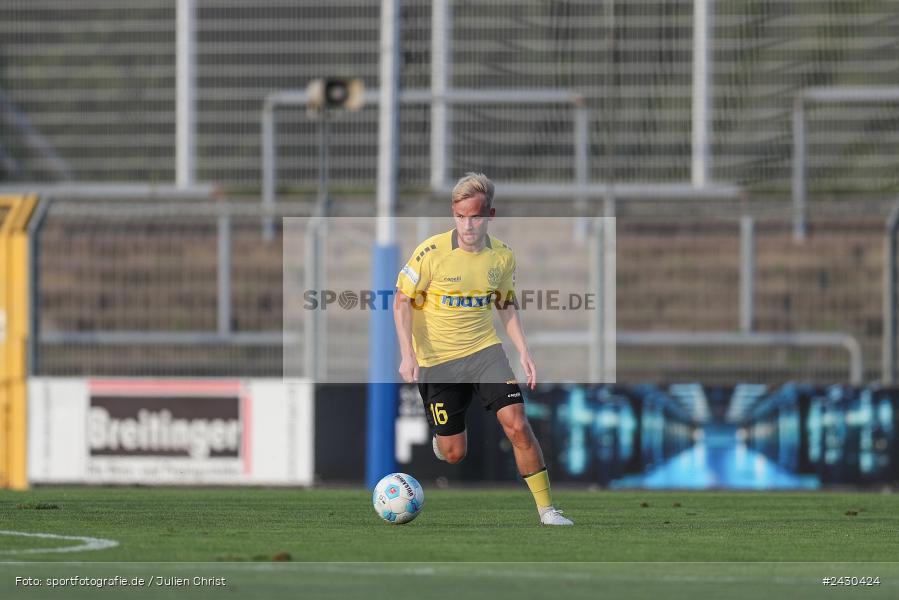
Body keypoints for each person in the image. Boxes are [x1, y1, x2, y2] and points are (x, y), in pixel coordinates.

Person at [393, 172, 573, 526]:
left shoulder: (502, 257)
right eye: (460, 216)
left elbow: (506, 305)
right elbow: (401, 301)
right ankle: (441, 441)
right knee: (453, 453)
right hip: (438, 361)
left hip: (485, 354)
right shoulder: (430, 253)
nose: (467, 225)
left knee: (518, 425)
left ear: (489, 215)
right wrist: (407, 354)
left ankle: (547, 510)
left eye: (475, 216)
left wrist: (524, 351)